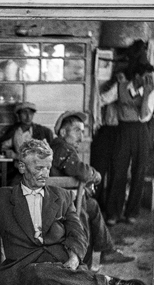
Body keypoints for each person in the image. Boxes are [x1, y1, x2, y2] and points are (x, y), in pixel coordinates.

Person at [0, 140, 147, 285]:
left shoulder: (62, 196)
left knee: (47, 276)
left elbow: (77, 232)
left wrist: (74, 258)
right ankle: (107, 284)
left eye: (47, 168)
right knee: (36, 272)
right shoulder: (2, 198)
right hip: (23, 269)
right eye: (39, 168)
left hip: (62, 265)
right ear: (22, 167)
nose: (44, 174)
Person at [51, 112, 135, 266]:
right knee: (85, 214)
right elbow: (81, 171)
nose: (81, 137)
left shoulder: (61, 147)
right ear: (63, 132)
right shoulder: (62, 148)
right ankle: (84, 264)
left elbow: (74, 172)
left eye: (82, 132)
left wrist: (85, 185)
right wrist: (96, 176)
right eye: (77, 131)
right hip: (61, 203)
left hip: (64, 197)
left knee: (93, 205)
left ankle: (107, 250)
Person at [100, 40, 154, 225]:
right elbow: (102, 99)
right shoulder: (121, 86)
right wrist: (110, 84)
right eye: (145, 76)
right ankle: (113, 213)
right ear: (137, 75)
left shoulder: (150, 91)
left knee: (138, 171)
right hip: (123, 131)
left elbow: (144, 116)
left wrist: (147, 94)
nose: (148, 79)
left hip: (141, 130)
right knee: (118, 170)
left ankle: (131, 212)